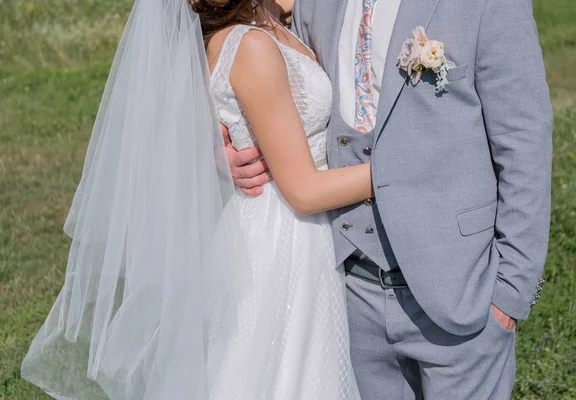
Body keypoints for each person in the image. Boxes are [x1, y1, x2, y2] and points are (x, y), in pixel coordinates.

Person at [21, 0, 367, 398]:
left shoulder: (261, 19)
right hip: (288, 238)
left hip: (272, 225)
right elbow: (304, 192)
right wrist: (398, 174)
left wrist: (215, 152)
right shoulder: (251, 45)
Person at [226, 0, 554, 398]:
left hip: (463, 292)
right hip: (347, 296)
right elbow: (234, 52)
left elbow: (525, 141)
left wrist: (511, 293)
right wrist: (222, 147)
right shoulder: (309, 3)